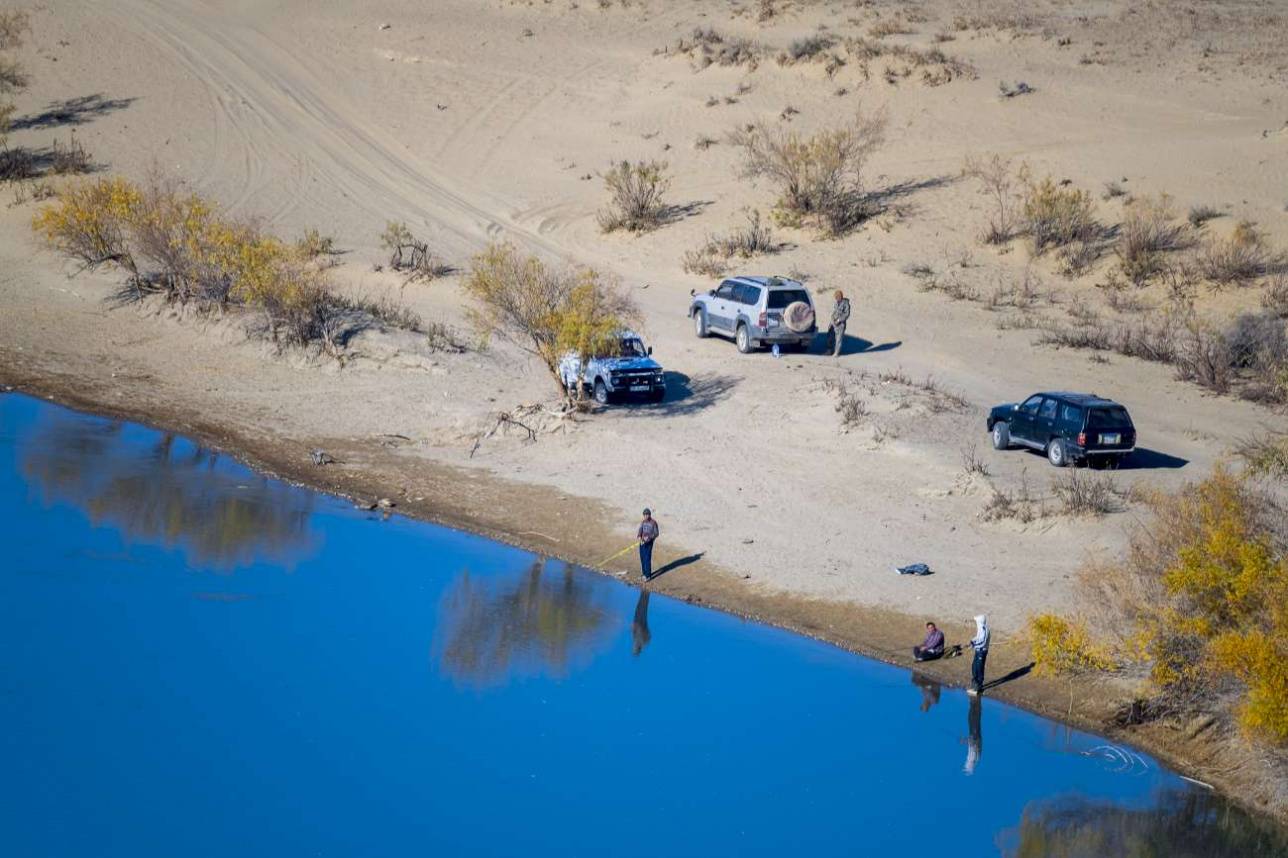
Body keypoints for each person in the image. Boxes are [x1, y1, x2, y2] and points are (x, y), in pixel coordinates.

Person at [967, 614, 990, 695]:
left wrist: (974, 645)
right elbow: (978, 637)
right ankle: (974, 683)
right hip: (977, 650)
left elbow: (983, 641)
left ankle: (979, 685)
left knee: (979, 667)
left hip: (982, 651)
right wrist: (972, 641)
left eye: (977, 621)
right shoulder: (980, 628)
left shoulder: (984, 629)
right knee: (974, 666)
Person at [637, 508, 660, 580]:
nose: (646, 516)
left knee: (647, 558)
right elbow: (640, 530)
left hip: (649, 543)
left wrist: (649, 538)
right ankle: (644, 574)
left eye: (647, 514)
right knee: (642, 558)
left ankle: (648, 576)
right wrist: (639, 537)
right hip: (642, 542)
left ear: (650, 515)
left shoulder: (653, 522)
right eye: (645, 515)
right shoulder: (643, 522)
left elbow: (656, 533)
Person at [828, 289, 851, 357]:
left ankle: (836, 352)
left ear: (840, 296)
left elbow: (847, 314)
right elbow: (834, 311)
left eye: (837, 297)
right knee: (830, 336)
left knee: (838, 338)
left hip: (841, 324)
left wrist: (839, 320)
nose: (836, 298)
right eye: (835, 297)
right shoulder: (836, 302)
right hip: (833, 322)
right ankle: (829, 350)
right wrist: (832, 318)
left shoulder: (846, 304)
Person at [632, 590, 651, 657]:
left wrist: (633, 626)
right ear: (638, 649)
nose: (634, 646)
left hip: (637, 621)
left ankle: (644, 591)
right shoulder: (644, 642)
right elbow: (649, 635)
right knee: (643, 606)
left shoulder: (636, 640)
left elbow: (634, 632)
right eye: (635, 648)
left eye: (634, 648)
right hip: (642, 623)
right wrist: (643, 630)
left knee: (640, 606)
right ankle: (646, 592)